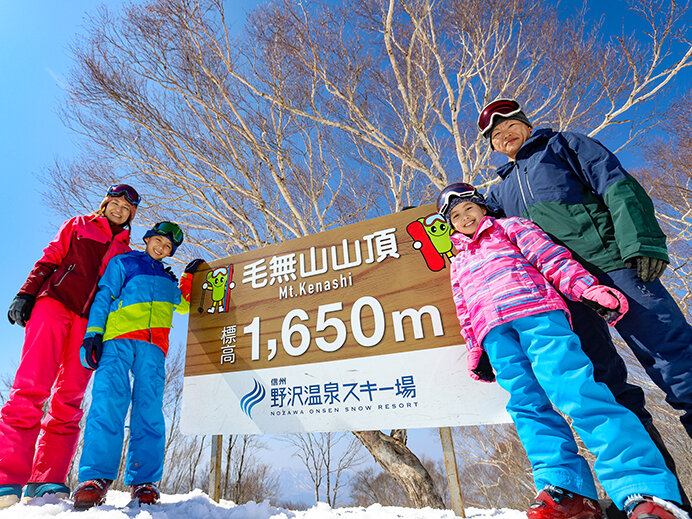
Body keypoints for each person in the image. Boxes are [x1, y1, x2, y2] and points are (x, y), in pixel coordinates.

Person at [478, 98, 692, 510]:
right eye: (494, 135)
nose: (503, 135)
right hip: (562, 294)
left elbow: (616, 184)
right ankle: (655, 499)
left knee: (673, 355)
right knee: (605, 385)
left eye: (509, 125)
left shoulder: (565, 146)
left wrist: (640, 240)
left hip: (613, 265)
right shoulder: (500, 192)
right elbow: (478, 232)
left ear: (525, 124)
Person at [438, 183, 688, 519]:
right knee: (527, 406)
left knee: (577, 391)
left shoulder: (512, 228)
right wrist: (475, 349)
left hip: (537, 315)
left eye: (469, 209)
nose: (464, 217)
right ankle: (566, 488)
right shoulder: (459, 261)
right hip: (495, 334)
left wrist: (587, 289)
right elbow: (464, 308)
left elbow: (551, 258)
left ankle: (643, 487)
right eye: (455, 215)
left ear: (482, 208)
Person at [0, 184, 139, 509]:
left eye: (126, 208)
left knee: (70, 397)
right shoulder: (79, 225)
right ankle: (7, 476)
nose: (119, 210)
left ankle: (47, 477)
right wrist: (26, 293)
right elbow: (49, 259)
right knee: (31, 387)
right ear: (105, 204)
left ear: (132, 215)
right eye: (115, 204)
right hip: (54, 305)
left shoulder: (127, 252)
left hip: (90, 324)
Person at [71, 221, 203, 510]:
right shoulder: (125, 262)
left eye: (169, 247)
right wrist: (93, 333)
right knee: (108, 402)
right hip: (118, 341)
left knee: (150, 408)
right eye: (159, 241)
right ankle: (95, 478)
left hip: (154, 349)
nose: (162, 248)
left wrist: (190, 277)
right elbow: (104, 295)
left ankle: (144, 481)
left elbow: (184, 304)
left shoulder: (168, 281)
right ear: (148, 239)